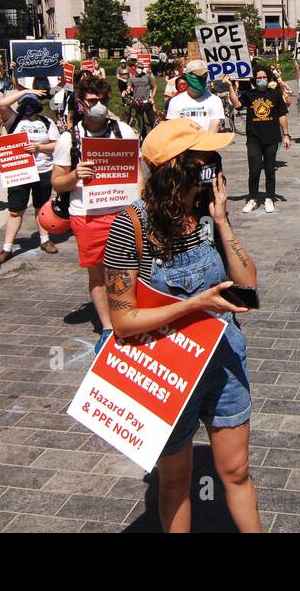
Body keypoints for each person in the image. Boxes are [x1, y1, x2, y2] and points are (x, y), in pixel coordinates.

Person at [103, 119, 259, 532]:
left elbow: (248, 287)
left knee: (238, 470)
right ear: (177, 167)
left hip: (223, 362)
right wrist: (195, 305)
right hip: (169, 370)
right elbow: (123, 321)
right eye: (203, 156)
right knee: (175, 481)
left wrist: (223, 221)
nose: (213, 162)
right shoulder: (132, 225)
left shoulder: (207, 214)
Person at [51, 75, 137, 351]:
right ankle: (107, 328)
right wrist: (76, 174)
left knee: (128, 270)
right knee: (98, 274)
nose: (97, 105)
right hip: (86, 215)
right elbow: (57, 182)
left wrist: (141, 205)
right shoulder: (69, 138)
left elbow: (138, 174)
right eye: (91, 101)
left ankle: (130, 318)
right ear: (80, 104)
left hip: (122, 211)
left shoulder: (123, 131)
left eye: (101, 100)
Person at [0, 89, 59, 265]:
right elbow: (3, 105)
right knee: (15, 210)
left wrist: (38, 148)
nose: (29, 108)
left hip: (43, 169)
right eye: (25, 104)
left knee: (42, 207)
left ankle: (45, 240)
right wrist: (27, 91)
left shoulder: (47, 122)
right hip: (20, 172)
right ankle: (7, 247)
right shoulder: (14, 120)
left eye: (32, 103)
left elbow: (56, 145)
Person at [239, 65, 291, 214]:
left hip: (271, 137)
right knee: (254, 170)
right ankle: (252, 198)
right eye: (258, 78)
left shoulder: (275, 94)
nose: (261, 80)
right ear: (254, 80)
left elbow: (282, 115)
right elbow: (237, 105)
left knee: (269, 170)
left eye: (264, 78)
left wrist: (286, 135)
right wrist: (230, 87)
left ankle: (269, 197)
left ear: (268, 79)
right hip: (254, 138)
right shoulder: (249, 94)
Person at [163, 59, 225, 133]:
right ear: (188, 76)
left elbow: (215, 124)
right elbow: (173, 128)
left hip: (207, 142)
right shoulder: (175, 102)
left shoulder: (215, 101)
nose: (202, 79)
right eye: (198, 76)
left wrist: (204, 142)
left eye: (204, 76)